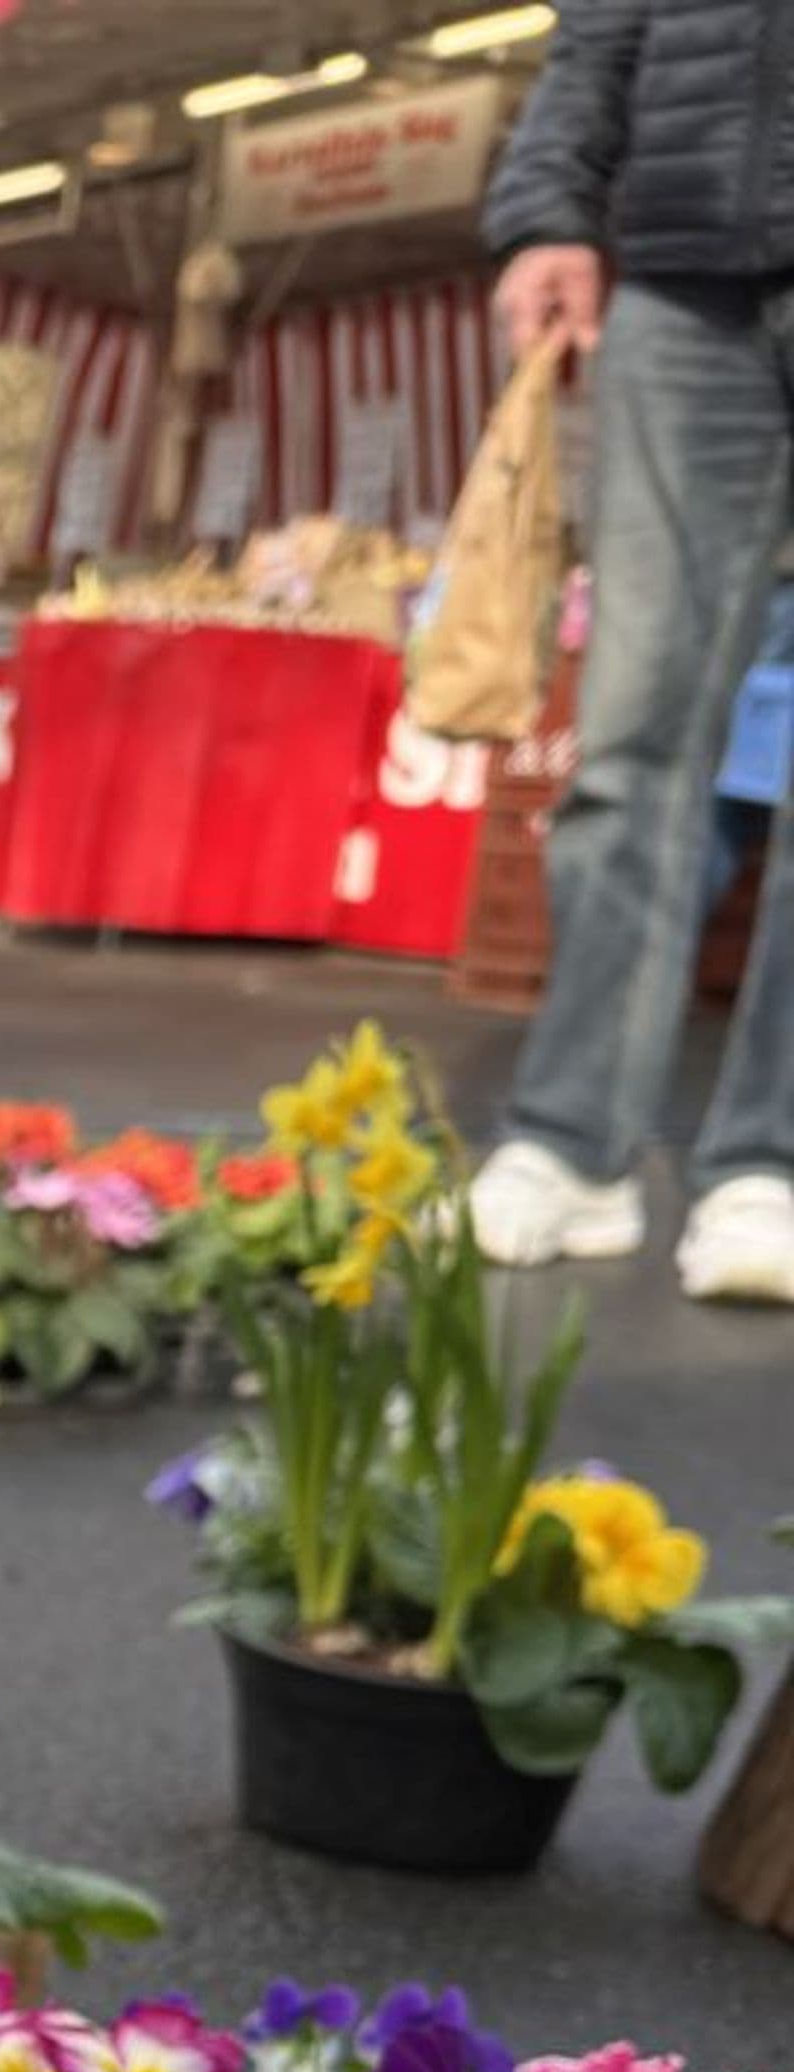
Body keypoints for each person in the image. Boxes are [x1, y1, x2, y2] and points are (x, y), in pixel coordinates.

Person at [470, 0, 794, 1300]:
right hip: (678, 271)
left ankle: (769, 1160)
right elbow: (601, 19)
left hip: (679, 268)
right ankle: (570, 1143)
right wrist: (548, 204)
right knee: (630, 735)